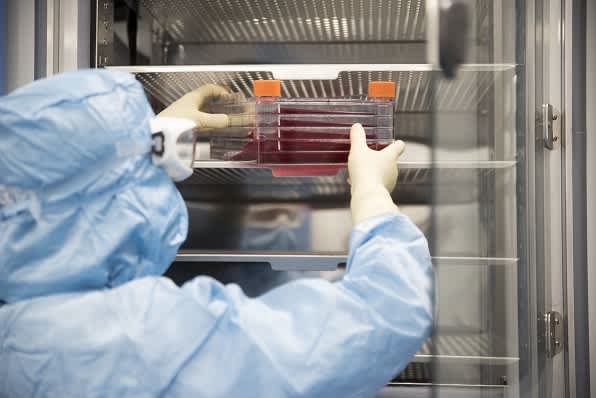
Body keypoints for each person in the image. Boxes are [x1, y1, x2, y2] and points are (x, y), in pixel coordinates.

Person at [0, 69, 434, 397]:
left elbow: (59, 185)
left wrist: (146, 139)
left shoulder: (20, 332)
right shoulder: (135, 339)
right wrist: (373, 195)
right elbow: (380, 318)